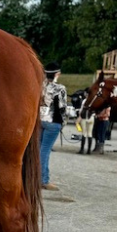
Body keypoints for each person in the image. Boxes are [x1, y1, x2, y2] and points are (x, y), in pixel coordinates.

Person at [39, 61, 67, 190]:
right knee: (45, 151)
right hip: (53, 121)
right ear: (57, 74)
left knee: (38, 150)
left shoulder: (41, 86)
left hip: (40, 120)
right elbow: (62, 108)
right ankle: (43, 180)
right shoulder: (60, 88)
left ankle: (33, 177)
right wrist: (64, 123)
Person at [76, 88, 95, 155]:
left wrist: (79, 117)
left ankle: (82, 149)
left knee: (84, 133)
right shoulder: (93, 100)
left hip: (84, 118)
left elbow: (81, 110)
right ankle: (89, 150)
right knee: (90, 133)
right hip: (91, 117)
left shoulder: (85, 101)